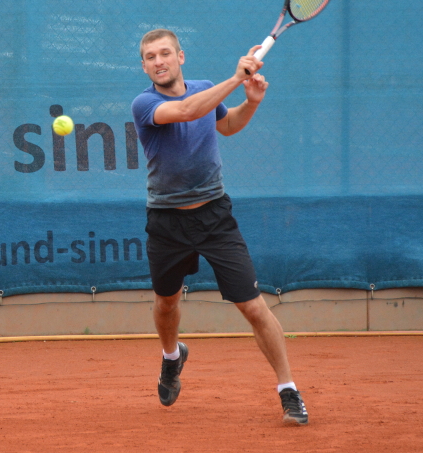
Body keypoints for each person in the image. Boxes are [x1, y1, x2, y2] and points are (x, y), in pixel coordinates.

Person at [130, 28, 308, 425]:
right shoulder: (144, 104)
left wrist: (251, 102)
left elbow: (226, 126)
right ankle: (171, 357)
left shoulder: (206, 88)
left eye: (165, 53)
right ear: (144, 67)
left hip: (214, 217)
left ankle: (289, 390)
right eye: (150, 57)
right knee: (167, 303)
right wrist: (235, 78)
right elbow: (187, 112)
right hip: (166, 220)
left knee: (253, 306)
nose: (159, 62)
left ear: (180, 57)